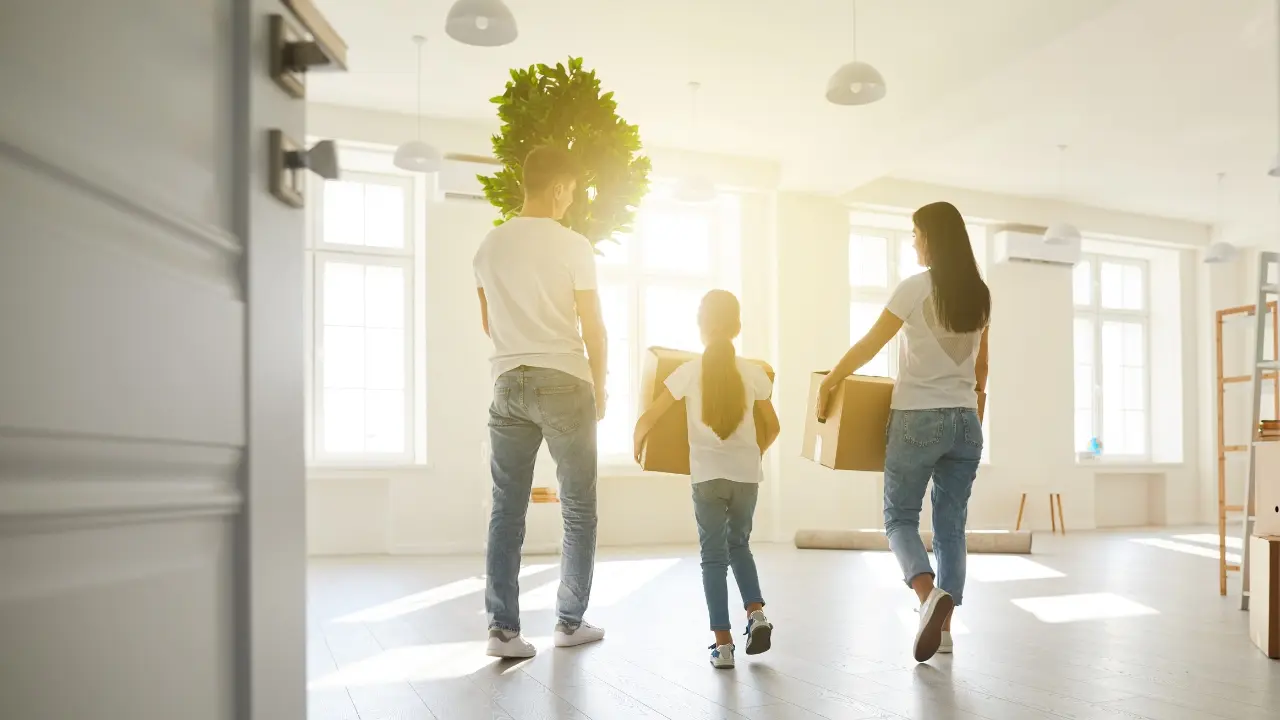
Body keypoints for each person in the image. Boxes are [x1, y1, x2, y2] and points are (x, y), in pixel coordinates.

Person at [816, 201, 990, 663]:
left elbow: (872, 343)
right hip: (965, 421)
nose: (913, 241)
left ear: (931, 237)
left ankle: (927, 594)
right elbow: (982, 368)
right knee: (952, 527)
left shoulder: (915, 288)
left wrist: (831, 380)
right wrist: (975, 416)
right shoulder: (979, 293)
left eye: (915, 233)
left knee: (899, 519)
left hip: (918, 418)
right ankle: (946, 632)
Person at [473, 146, 609, 658]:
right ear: (557, 188)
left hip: (506, 382)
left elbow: (488, 323)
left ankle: (502, 631)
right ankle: (569, 623)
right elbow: (593, 327)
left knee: (506, 509)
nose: (570, 201)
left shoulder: (489, 247)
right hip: (565, 379)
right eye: (571, 191)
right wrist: (602, 386)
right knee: (578, 508)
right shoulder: (572, 244)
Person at [633, 290, 781, 669]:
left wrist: (638, 438)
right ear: (737, 325)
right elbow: (774, 426)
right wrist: (754, 453)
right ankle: (756, 614)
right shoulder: (753, 372)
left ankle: (724, 645)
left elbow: (652, 415)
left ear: (702, 325)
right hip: (746, 477)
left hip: (707, 477)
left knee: (713, 559)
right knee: (740, 545)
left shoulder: (687, 371)